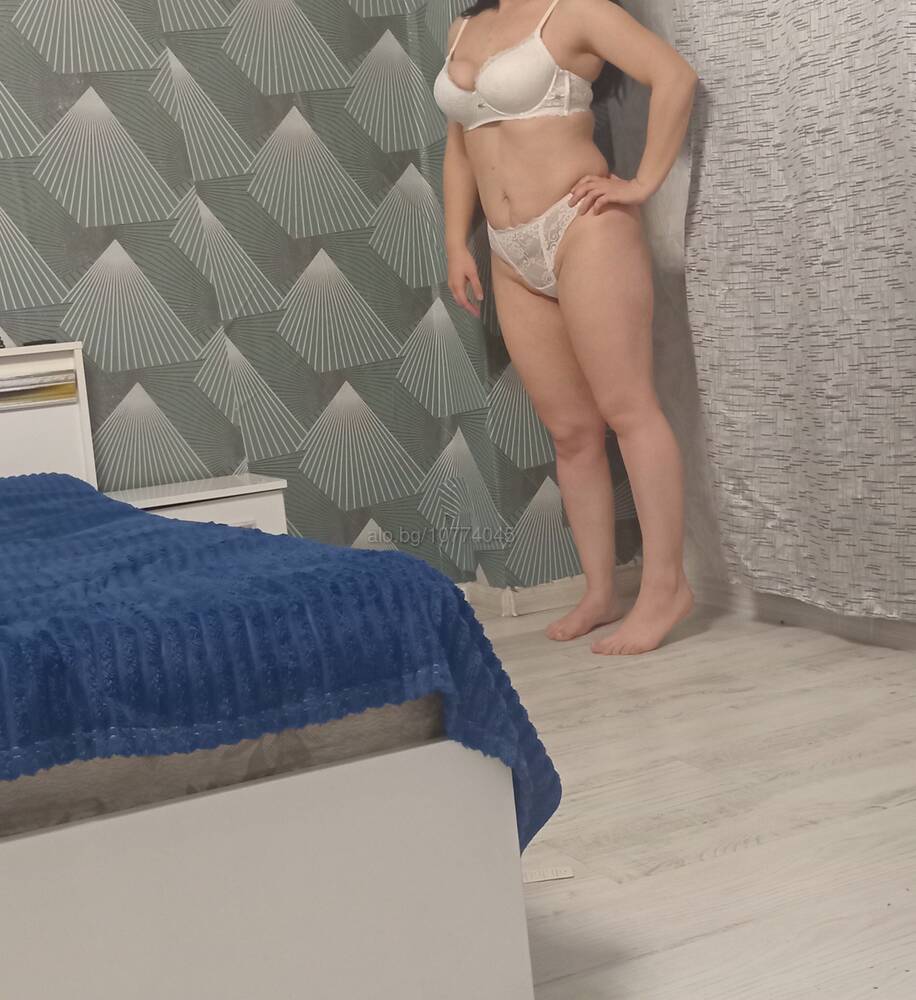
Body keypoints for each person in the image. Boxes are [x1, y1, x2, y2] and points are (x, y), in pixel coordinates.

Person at [434, 0, 698, 655]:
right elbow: (461, 141)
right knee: (571, 432)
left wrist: (643, 182)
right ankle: (600, 591)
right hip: (508, 250)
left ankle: (667, 589)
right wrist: (456, 242)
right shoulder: (463, 26)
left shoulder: (577, 9)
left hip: (583, 228)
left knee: (628, 409)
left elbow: (675, 77)